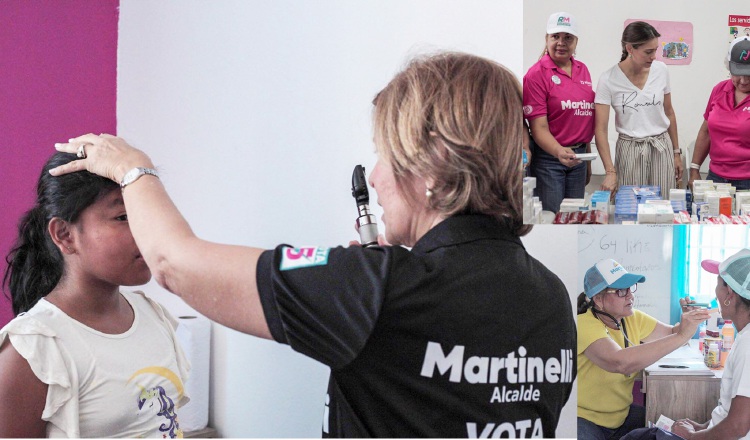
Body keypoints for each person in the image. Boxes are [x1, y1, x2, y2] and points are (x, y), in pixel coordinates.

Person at [49, 52, 577, 438]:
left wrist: (130, 168)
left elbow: (174, 262)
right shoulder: (551, 296)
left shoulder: (383, 286)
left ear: (433, 164)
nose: (374, 173)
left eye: (383, 153)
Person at [0, 153, 190, 438]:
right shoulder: (32, 352)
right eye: (123, 216)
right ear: (64, 234)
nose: (145, 230)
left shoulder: (154, 316)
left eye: (143, 214)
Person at [577, 259, 710, 440]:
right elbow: (620, 362)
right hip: (584, 421)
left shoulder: (631, 318)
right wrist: (681, 336)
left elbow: (671, 332)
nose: (630, 296)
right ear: (598, 299)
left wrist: (687, 319)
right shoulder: (584, 323)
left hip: (621, 418)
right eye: (621, 291)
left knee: (669, 427)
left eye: (631, 289)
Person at [594, 21, 684, 195]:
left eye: (655, 50)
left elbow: (669, 112)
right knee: (630, 209)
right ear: (630, 48)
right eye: (648, 52)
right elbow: (600, 130)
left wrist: (676, 152)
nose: (653, 57)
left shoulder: (661, 71)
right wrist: (610, 171)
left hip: (661, 146)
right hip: (630, 149)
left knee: (662, 206)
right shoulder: (608, 79)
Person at [672, 249, 750, 440]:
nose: (715, 293)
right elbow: (729, 410)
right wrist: (702, 428)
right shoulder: (743, 336)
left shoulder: (748, 343)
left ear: (729, 293)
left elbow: (738, 426)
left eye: (717, 284)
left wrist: (692, 437)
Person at [523, 11, 594, 213]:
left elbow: (583, 119)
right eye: (555, 37)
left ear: (576, 41)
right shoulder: (536, 75)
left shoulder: (583, 70)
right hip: (550, 160)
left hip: (579, 158)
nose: (561, 43)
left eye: (568, 38)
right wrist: (559, 151)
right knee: (552, 218)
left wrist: (586, 160)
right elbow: (538, 128)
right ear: (546, 39)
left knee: (573, 218)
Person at [688, 36, 750, 191]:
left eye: (749, 74)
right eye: (737, 73)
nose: (743, 80)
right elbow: (706, 131)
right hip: (715, 177)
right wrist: (694, 168)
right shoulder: (720, 90)